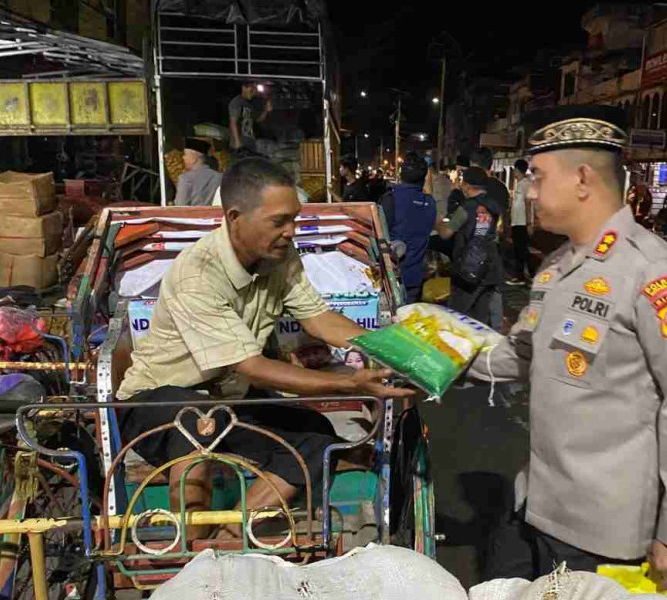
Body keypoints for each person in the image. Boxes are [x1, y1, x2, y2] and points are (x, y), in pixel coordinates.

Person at [466, 105, 667, 588]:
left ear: (582, 179)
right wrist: (430, 357)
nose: (529, 192)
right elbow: (522, 354)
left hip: (602, 526)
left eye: (536, 177)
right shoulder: (557, 265)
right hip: (533, 498)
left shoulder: (653, 272)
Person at [117, 157, 414, 538]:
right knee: (196, 421)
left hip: (228, 397)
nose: (291, 232)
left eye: (294, 219)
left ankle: (228, 541)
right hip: (152, 400)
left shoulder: (281, 257)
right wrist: (352, 384)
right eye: (278, 221)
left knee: (317, 438)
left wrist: (395, 350)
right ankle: (187, 552)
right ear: (235, 217)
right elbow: (253, 367)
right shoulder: (199, 273)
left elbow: (319, 319)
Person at [435, 167, 504, 329]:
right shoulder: (495, 206)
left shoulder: (466, 208)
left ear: (466, 185)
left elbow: (445, 233)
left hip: (468, 270)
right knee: (480, 320)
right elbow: (500, 232)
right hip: (490, 269)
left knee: (456, 317)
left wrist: (438, 222)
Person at [380, 152, 437, 303]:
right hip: (415, 277)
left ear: (401, 174)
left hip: (392, 277)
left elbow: (379, 235)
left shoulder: (390, 199)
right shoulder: (430, 204)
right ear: (423, 178)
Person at [507, 158, 535, 285]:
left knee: (522, 250)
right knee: (520, 250)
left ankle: (527, 276)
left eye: (514, 170)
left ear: (517, 169)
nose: (514, 173)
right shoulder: (521, 183)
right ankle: (523, 276)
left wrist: (529, 223)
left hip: (522, 223)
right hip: (517, 222)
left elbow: (528, 203)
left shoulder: (526, 184)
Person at [174, 138, 223, 206]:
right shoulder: (220, 177)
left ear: (194, 158)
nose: (183, 157)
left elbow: (180, 206)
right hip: (215, 216)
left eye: (185, 154)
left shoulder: (185, 179)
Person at [229, 82, 272, 154]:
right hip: (240, 144)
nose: (253, 93)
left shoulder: (250, 105)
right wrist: (237, 142)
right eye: (251, 90)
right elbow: (233, 123)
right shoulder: (237, 102)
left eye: (254, 91)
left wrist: (266, 110)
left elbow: (258, 120)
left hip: (250, 142)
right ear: (244, 88)